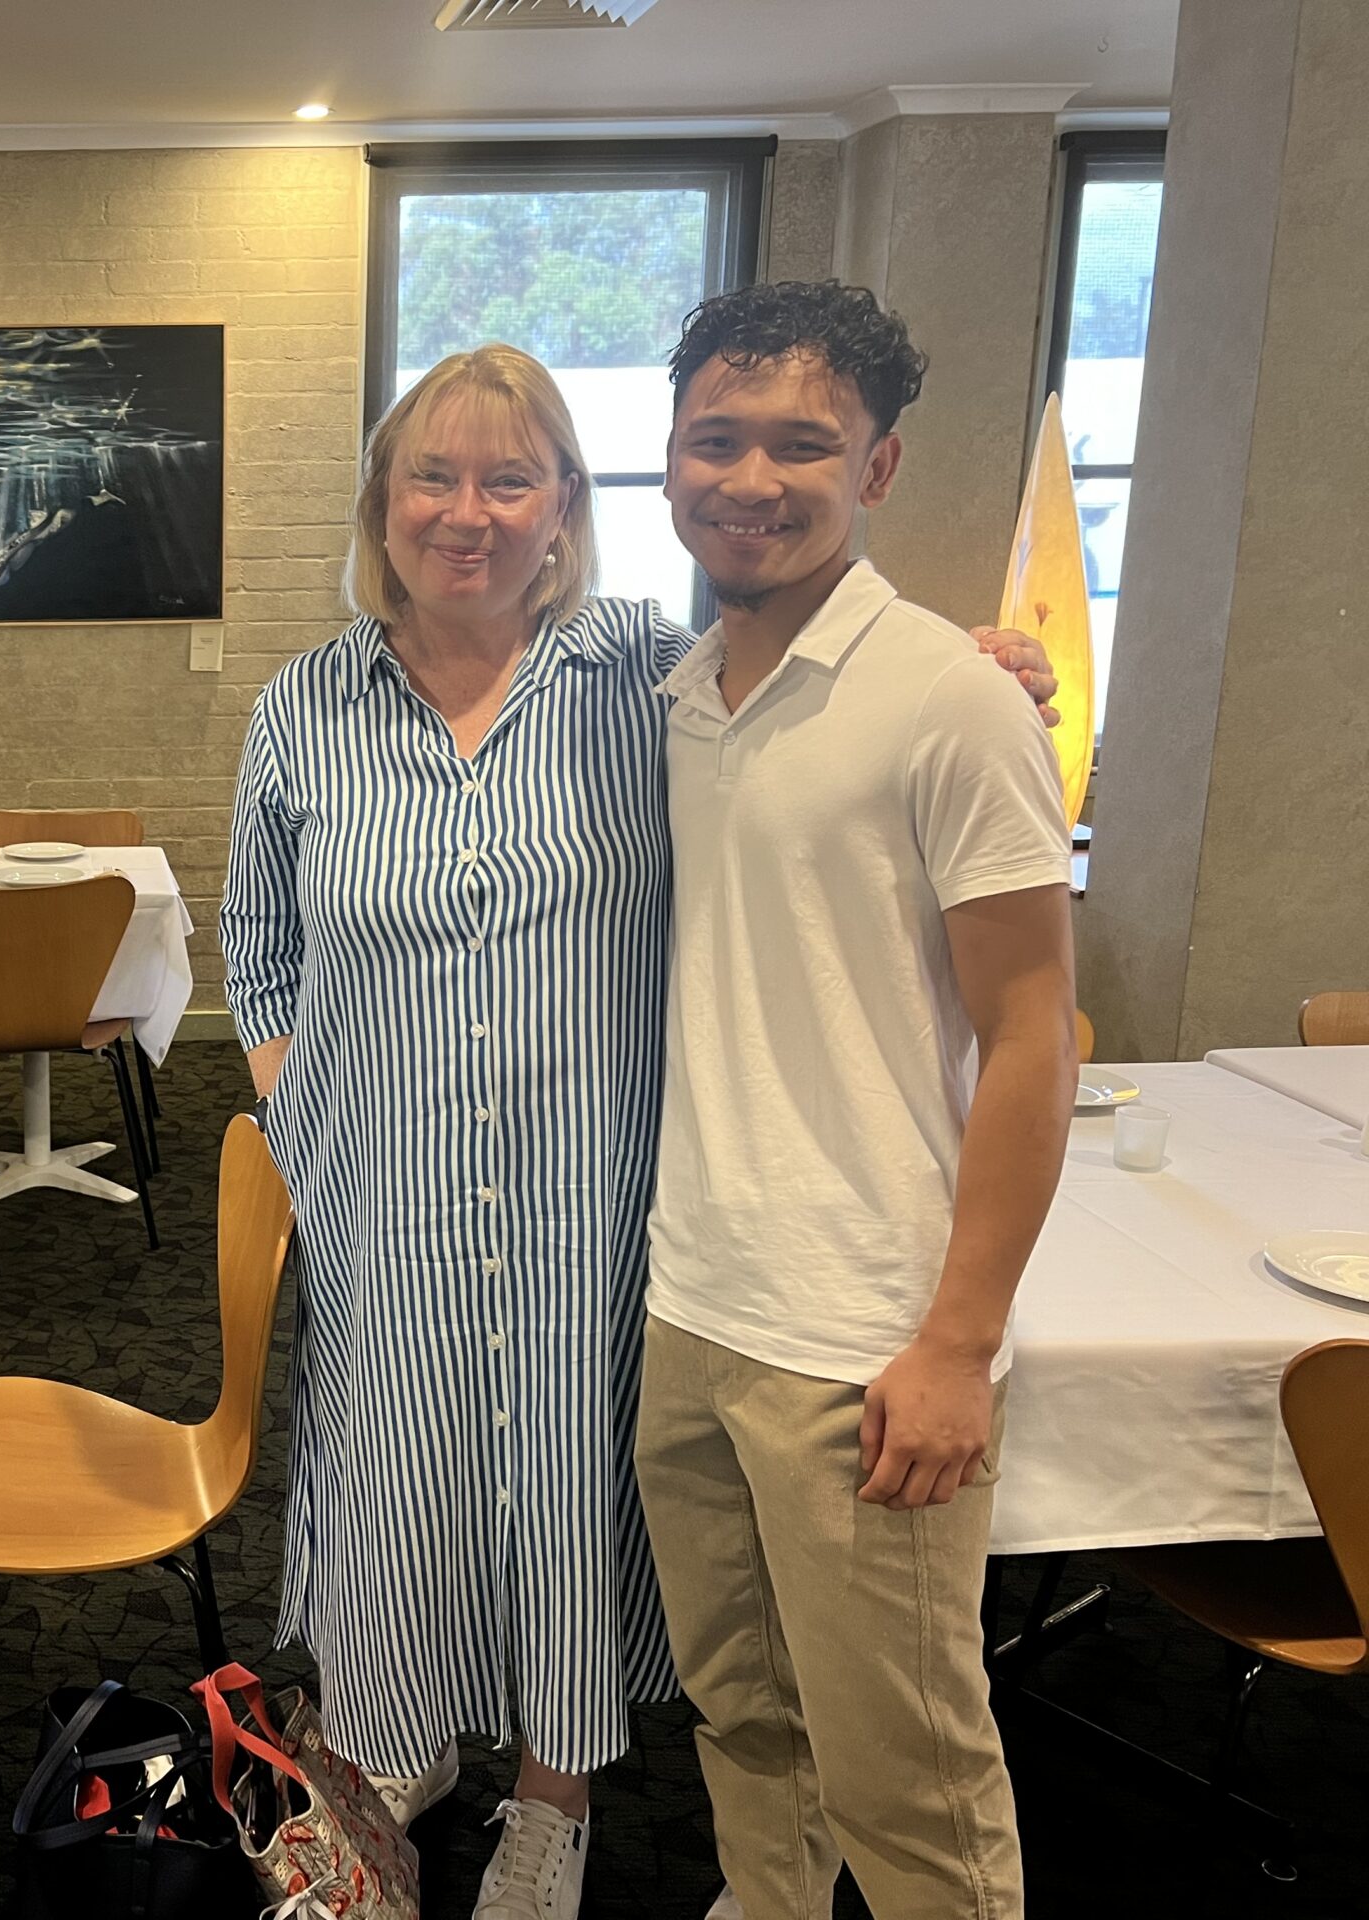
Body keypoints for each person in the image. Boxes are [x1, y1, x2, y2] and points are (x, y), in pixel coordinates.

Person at [219, 343, 1056, 1920]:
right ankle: (399, 1748)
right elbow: (256, 941)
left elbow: (814, 690)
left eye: (509, 479)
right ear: (382, 505)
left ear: (566, 511)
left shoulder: (640, 674)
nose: (469, 514)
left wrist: (978, 665)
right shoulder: (303, 707)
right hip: (383, 1191)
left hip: (605, 1206)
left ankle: (555, 1795)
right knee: (397, 1479)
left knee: (566, 1492)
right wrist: (304, 1103)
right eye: (433, 478)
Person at [635, 281, 1076, 1920]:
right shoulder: (683, 695)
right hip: (695, 1308)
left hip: (867, 1339)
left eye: (803, 445)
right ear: (668, 459)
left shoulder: (950, 698)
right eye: (716, 439)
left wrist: (958, 1342)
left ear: (878, 470)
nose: (751, 477)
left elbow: (1038, 1030)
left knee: (911, 1779)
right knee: (744, 1717)